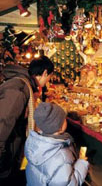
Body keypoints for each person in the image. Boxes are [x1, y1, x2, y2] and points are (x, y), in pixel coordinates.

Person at [0, 55, 54, 183]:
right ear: (45, 73)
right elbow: (2, 123)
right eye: (49, 77)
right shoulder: (19, 89)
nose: (48, 82)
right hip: (5, 161)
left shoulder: (24, 86)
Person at [24, 102, 89, 185]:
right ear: (60, 126)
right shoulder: (61, 157)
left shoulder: (34, 144)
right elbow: (71, 183)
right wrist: (82, 163)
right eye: (64, 119)